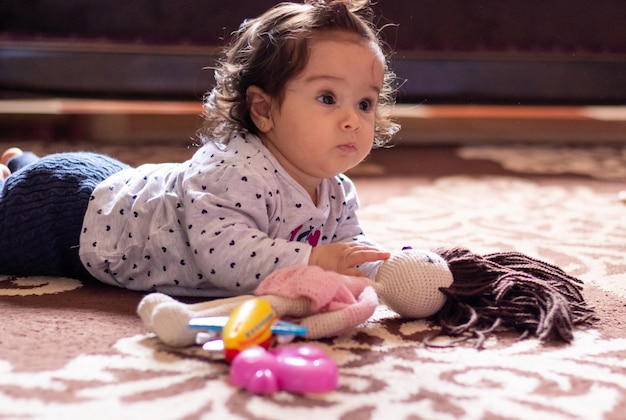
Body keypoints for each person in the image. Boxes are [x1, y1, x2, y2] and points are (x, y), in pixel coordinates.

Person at [0, 0, 400, 297]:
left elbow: (351, 249)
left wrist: (393, 271)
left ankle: (18, 164)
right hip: (65, 214)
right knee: (15, 210)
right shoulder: (233, 172)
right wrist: (315, 260)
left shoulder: (337, 189)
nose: (353, 119)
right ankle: (18, 175)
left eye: (364, 103)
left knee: (58, 175)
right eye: (328, 98)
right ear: (263, 109)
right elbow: (228, 257)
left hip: (119, 188)